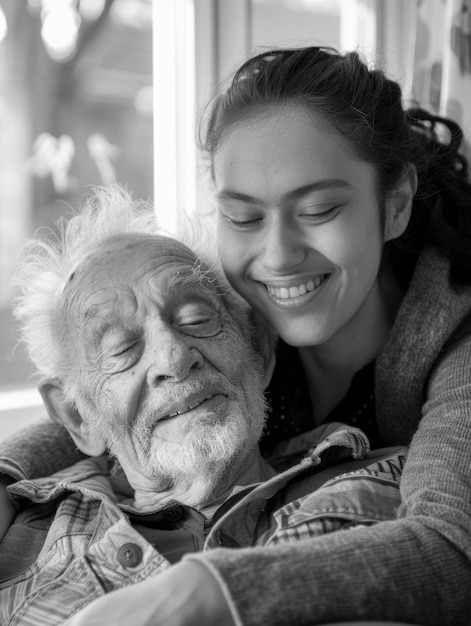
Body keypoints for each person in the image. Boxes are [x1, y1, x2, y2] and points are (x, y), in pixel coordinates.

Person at [1, 44, 471, 624]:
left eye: (320, 209)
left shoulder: (455, 349)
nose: (276, 256)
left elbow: (451, 549)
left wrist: (202, 591)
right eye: (244, 218)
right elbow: (98, 402)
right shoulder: (240, 298)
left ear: (395, 203)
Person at [0, 186, 406, 625]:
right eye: (121, 350)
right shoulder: (19, 533)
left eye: (196, 319)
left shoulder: (398, 486)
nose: (174, 358)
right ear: (78, 416)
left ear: (259, 351)